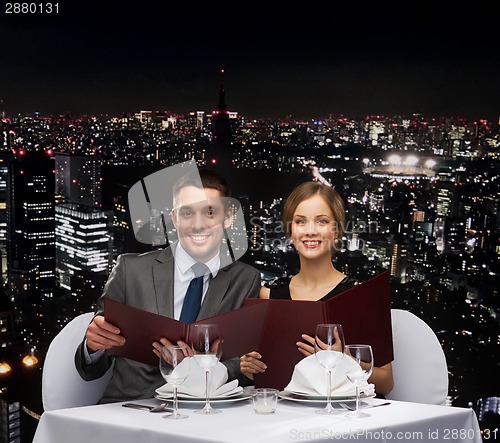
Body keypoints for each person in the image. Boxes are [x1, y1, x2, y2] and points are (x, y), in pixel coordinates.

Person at [75, 168, 261, 403]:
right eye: (187, 213)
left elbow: (241, 364)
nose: (198, 224)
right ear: (174, 218)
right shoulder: (130, 270)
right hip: (129, 411)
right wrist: (93, 347)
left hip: (204, 414)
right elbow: (91, 368)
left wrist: (200, 367)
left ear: (228, 218)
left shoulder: (246, 279)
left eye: (210, 213)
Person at [239, 181, 394, 396]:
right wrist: (250, 367)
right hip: (283, 415)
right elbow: (266, 374)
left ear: (337, 230)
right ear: (290, 231)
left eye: (322, 221)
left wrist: (343, 361)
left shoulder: (362, 296)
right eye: (300, 222)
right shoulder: (269, 294)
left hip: (343, 418)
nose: (310, 231)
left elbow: (386, 382)